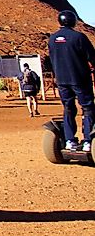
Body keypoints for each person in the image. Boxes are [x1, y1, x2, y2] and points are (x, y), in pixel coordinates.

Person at [48, 10, 95, 152]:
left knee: (68, 108)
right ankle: (88, 141)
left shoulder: (52, 39)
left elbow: (51, 59)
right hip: (79, 79)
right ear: (73, 21)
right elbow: (92, 57)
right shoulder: (78, 37)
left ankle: (69, 141)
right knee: (87, 108)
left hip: (62, 80)